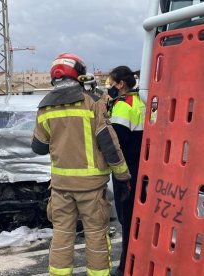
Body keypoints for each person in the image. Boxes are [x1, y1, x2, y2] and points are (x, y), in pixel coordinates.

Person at [31, 53, 131, 276]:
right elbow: (109, 144)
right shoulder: (92, 102)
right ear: (78, 75)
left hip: (60, 187)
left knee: (62, 235)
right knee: (96, 234)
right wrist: (123, 176)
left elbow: (38, 147)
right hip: (91, 187)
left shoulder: (44, 107)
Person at [108, 66, 145, 276]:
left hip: (127, 171)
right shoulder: (142, 101)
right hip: (144, 167)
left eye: (111, 83)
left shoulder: (123, 105)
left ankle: (126, 267)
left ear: (121, 84)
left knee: (127, 220)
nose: (109, 87)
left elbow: (116, 143)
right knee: (140, 219)